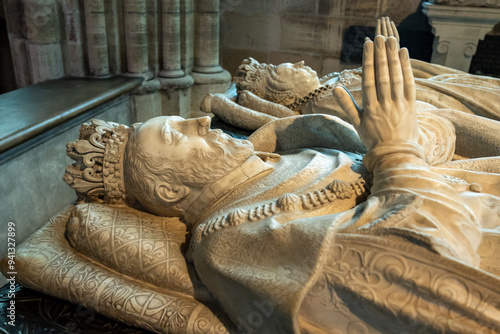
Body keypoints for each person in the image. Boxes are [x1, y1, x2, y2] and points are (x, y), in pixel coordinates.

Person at [58, 36, 500, 333]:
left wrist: (405, 134)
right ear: (169, 193)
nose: (199, 119)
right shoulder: (232, 239)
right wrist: (396, 149)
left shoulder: (281, 153)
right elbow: (432, 281)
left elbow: (435, 141)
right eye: (177, 133)